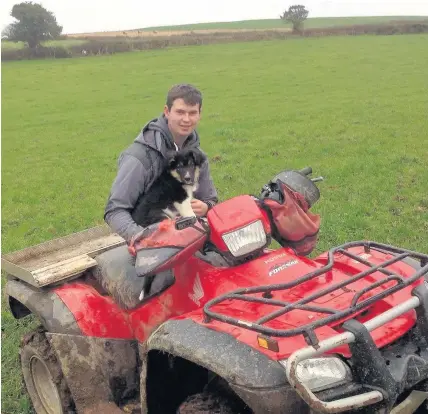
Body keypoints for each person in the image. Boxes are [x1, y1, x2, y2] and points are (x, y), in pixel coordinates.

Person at [104, 83, 218, 243]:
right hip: (148, 242)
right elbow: (115, 211)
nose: (186, 119)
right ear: (167, 111)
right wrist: (145, 240)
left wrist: (206, 207)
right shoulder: (139, 157)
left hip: (189, 238)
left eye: (192, 113)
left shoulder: (198, 156)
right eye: (180, 112)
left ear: (200, 114)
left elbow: (210, 198)